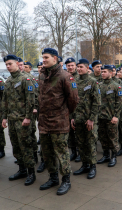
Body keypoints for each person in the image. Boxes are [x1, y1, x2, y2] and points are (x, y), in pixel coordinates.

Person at [38, 48, 79, 195]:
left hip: (59, 122)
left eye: (46, 57)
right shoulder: (42, 75)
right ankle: (53, 177)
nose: (43, 60)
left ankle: (66, 180)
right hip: (44, 122)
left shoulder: (65, 76)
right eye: (43, 57)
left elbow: (73, 100)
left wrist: (64, 114)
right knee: (47, 153)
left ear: (55, 59)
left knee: (62, 153)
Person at [1, 54, 36, 186]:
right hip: (12, 120)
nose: (8, 66)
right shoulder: (8, 81)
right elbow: (4, 101)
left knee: (26, 145)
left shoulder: (25, 79)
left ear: (17, 63)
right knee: (16, 146)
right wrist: (4, 117)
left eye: (10, 64)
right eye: (6, 65)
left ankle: (31, 172)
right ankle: (22, 170)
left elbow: (30, 100)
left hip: (23, 120)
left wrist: (28, 117)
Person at [71, 58, 101, 179]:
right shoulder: (74, 81)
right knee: (81, 144)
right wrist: (72, 117)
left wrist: (92, 119)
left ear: (87, 68)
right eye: (77, 67)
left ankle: (92, 166)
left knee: (90, 144)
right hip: (78, 119)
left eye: (81, 67)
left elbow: (97, 102)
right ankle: (84, 165)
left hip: (89, 120)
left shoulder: (93, 82)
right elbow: (72, 101)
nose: (78, 69)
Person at [97, 65, 122, 167]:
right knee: (103, 137)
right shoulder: (99, 85)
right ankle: (106, 155)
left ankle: (114, 157)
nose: (102, 73)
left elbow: (120, 103)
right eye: (102, 72)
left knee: (113, 138)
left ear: (111, 73)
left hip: (111, 117)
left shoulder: (116, 86)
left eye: (104, 72)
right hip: (101, 117)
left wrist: (116, 116)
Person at [23, 61, 39, 164]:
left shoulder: (32, 79)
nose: (23, 68)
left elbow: (36, 94)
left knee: (31, 132)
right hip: (21, 112)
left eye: (25, 67)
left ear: (29, 69)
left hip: (30, 110)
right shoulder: (19, 78)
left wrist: (35, 107)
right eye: (22, 66)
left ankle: (34, 154)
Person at [65, 57, 80, 162]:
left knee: (78, 133)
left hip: (78, 111)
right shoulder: (64, 77)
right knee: (70, 134)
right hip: (67, 110)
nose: (70, 67)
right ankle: (73, 152)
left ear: (75, 66)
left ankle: (80, 153)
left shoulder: (79, 78)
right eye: (68, 65)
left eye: (72, 65)